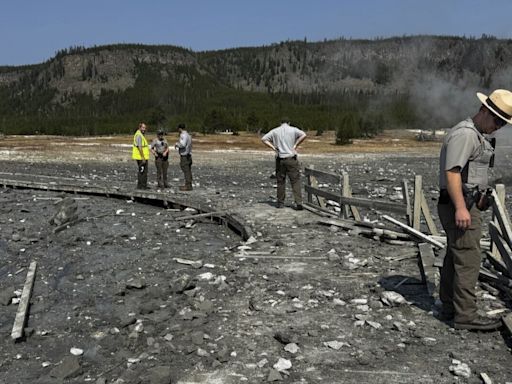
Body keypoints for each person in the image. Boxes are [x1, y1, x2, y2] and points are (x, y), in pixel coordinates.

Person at [437, 89, 512, 331]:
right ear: (484, 111)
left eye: (503, 122)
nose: (498, 126)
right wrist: (461, 208)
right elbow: (453, 172)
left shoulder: (475, 134)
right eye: (497, 120)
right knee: (468, 258)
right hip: (460, 204)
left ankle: (450, 306)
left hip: (465, 203)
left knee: (456, 255)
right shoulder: (466, 135)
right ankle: (466, 315)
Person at [262, 118, 307, 210]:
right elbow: (304, 135)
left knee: (281, 181)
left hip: (280, 158)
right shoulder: (293, 129)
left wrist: (273, 147)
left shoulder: (275, 131)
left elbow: (264, 139)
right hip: (291, 158)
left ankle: (280, 203)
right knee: (295, 181)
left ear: (280, 122)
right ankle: (298, 202)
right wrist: (295, 145)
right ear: (289, 122)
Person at [175, 123, 193, 191]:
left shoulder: (183, 135)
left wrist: (177, 144)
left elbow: (182, 144)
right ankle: (189, 184)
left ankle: (188, 185)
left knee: (186, 170)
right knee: (188, 169)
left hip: (184, 155)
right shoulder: (189, 135)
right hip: (189, 154)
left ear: (180, 128)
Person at [132, 122, 150, 190]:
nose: (144, 129)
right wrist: (143, 157)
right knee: (142, 171)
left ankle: (142, 185)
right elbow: (140, 147)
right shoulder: (139, 135)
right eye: (143, 127)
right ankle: (142, 186)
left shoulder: (140, 134)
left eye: (145, 128)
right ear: (139, 127)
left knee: (143, 171)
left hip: (142, 157)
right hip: (141, 157)